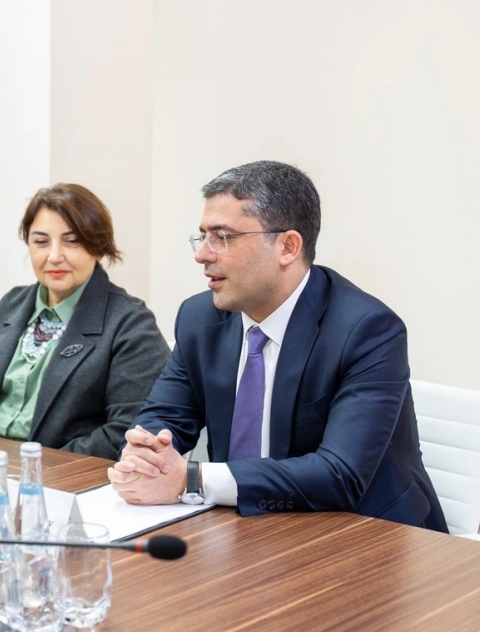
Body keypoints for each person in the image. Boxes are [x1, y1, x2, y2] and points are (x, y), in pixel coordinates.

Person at [108, 161, 447, 531]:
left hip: (366, 531)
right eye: (202, 236)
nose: (202, 254)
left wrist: (192, 479)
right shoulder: (199, 318)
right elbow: (164, 416)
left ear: (288, 246)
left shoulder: (366, 330)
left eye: (222, 237)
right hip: (244, 526)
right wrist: (144, 454)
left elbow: (340, 474)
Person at [0, 184, 170, 459]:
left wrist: (37, 467)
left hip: (60, 474)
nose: (54, 256)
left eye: (72, 241)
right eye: (41, 242)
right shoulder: (11, 304)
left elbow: (127, 430)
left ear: (98, 247)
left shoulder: (130, 323)